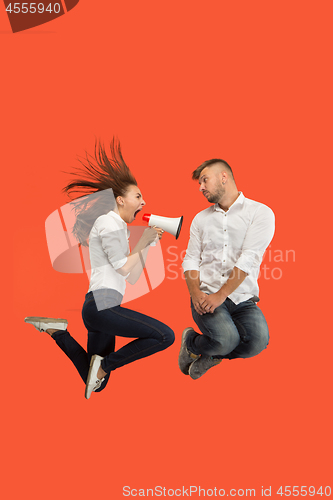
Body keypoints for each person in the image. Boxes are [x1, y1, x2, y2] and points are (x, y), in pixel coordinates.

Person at [25, 140, 174, 399]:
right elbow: (125, 267)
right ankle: (103, 366)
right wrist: (142, 242)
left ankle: (57, 331)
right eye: (138, 196)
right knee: (165, 336)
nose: (143, 202)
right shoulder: (109, 222)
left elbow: (134, 275)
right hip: (102, 306)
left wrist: (146, 244)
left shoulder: (118, 228)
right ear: (120, 199)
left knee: (97, 383)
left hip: (103, 307)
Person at [178, 159, 275, 380]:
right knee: (226, 339)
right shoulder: (200, 219)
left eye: (205, 180)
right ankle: (195, 343)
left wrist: (222, 295)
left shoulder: (261, 213)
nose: (201, 187)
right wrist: (195, 293)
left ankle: (206, 351)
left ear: (224, 177)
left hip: (243, 299)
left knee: (257, 343)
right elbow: (191, 259)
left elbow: (249, 257)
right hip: (206, 297)